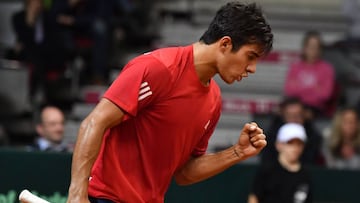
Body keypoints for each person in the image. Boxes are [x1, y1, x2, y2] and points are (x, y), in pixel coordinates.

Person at [67, 2, 273, 203]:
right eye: (250, 56)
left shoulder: (214, 101)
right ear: (225, 44)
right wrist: (77, 195)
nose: (252, 68)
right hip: (106, 198)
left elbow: (184, 173)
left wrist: (237, 152)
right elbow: (94, 123)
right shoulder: (158, 68)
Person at [248, 123, 313, 203]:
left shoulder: (305, 176)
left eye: (299, 144)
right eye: (290, 143)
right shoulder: (267, 170)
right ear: (279, 144)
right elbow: (254, 198)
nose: (295, 148)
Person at [284, 31, 335, 117]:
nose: (313, 50)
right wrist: (314, 88)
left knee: (303, 115)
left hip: (316, 109)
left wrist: (299, 87)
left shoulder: (327, 69)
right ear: (304, 48)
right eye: (310, 46)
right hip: (295, 107)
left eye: (316, 47)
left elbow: (326, 95)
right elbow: (289, 91)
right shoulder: (295, 67)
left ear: (320, 49)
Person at [261, 97, 323, 166]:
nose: (294, 119)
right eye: (290, 115)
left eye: (298, 115)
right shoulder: (271, 137)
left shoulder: (313, 137)